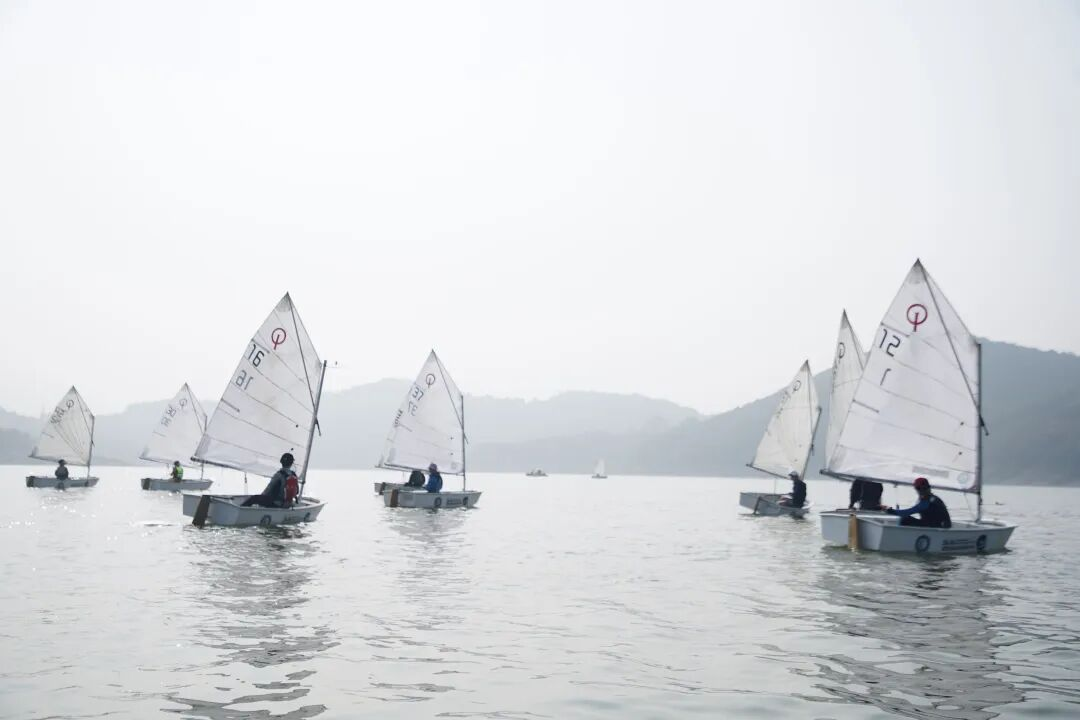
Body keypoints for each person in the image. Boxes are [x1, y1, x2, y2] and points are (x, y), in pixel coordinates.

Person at [885, 477, 952, 528]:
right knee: (907, 519)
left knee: (905, 519)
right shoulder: (932, 498)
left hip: (935, 528)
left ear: (927, 488)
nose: (919, 491)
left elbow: (909, 512)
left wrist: (891, 511)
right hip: (933, 525)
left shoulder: (929, 501)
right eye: (917, 488)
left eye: (920, 488)